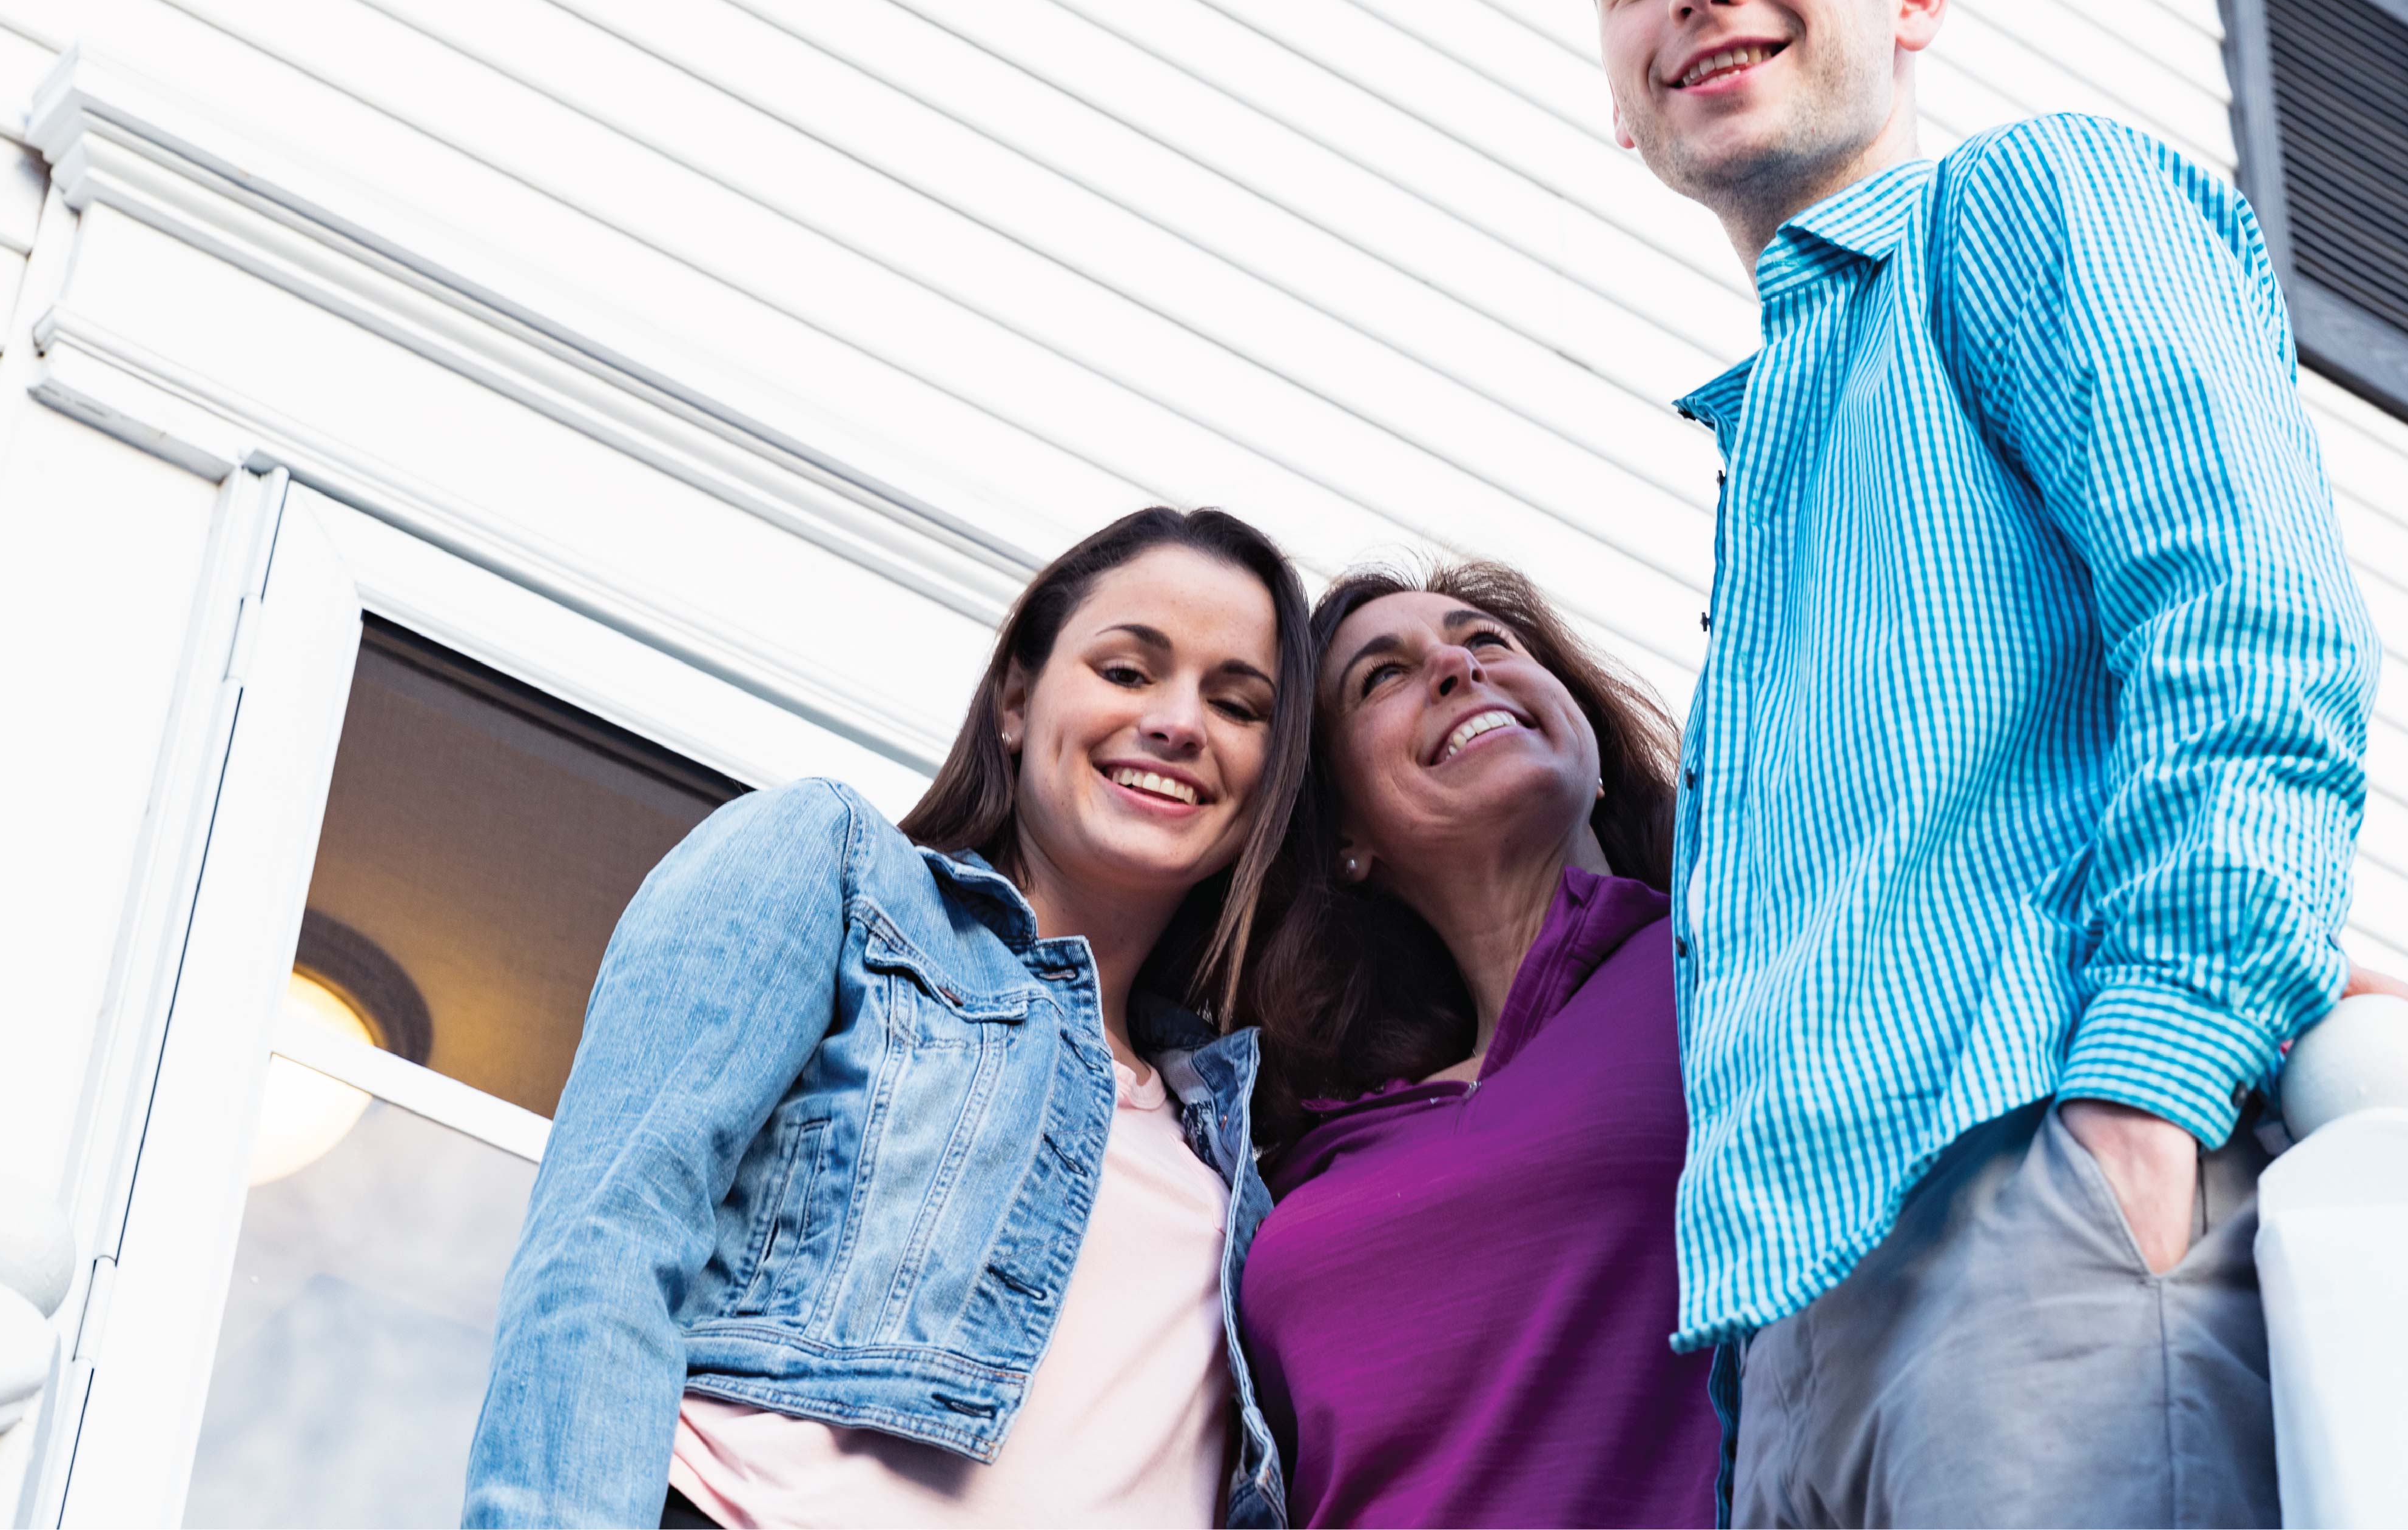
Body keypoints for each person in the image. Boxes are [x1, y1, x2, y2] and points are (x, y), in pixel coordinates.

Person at [1582, 0, 2387, 1526]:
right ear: (1621, 100)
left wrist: (2149, 1092)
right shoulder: (1772, 458)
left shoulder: (2032, 204)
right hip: (1790, 1340)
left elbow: (2247, 628)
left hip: (2039, 1203)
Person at [463, 507, 1313, 1529]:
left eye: (1238, 703)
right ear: (1014, 699)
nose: (1179, 723)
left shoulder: (1237, 1153)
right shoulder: (832, 868)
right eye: (1128, 672)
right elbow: (606, 1245)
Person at [1236, 561, 1723, 1529]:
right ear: (1346, 838)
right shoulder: (1296, 1148)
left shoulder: (1733, 961)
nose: (1456, 664)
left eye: (1487, 641)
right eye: (1382, 676)